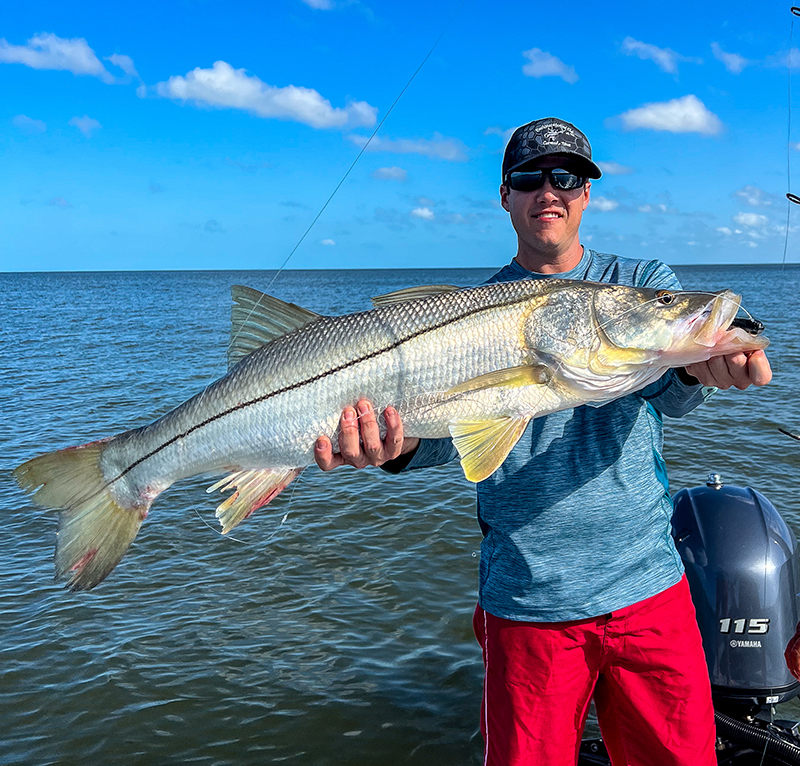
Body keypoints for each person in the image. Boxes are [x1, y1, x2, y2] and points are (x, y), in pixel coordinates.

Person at [315, 117, 772, 766]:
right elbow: (448, 441)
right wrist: (395, 448)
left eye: (567, 176)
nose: (548, 190)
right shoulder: (469, 312)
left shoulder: (636, 280)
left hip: (649, 591)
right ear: (505, 196)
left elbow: (669, 385)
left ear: (587, 193)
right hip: (527, 604)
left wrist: (705, 362)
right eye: (528, 177)